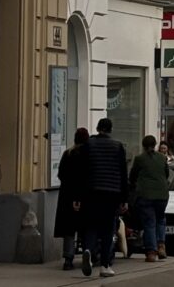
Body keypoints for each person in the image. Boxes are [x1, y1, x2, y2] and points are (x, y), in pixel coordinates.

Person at [80, 118, 128, 277]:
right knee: (108, 230)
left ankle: (87, 249)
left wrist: (78, 196)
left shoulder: (88, 145)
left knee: (91, 225)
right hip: (111, 193)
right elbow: (123, 174)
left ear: (97, 128)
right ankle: (105, 265)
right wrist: (124, 199)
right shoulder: (117, 146)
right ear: (111, 129)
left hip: (91, 192)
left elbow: (82, 171)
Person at [129, 135, 170, 263]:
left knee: (149, 222)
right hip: (162, 194)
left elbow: (132, 176)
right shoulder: (162, 158)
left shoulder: (140, 159)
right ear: (155, 144)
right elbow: (166, 174)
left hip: (146, 195)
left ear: (143, 145)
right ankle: (161, 246)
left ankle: (151, 252)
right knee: (161, 219)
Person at [55, 128, 90, 270]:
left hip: (67, 196)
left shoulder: (68, 154)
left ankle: (68, 259)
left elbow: (61, 174)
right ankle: (87, 254)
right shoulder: (88, 155)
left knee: (69, 229)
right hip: (85, 195)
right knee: (85, 228)